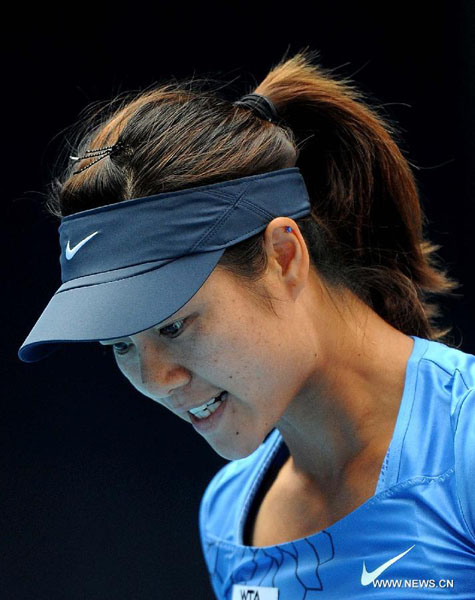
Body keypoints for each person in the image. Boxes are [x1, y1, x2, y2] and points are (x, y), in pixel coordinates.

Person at [18, 50, 475, 598]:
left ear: (284, 255)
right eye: (119, 345)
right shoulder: (227, 514)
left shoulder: (466, 443)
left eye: (173, 327)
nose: (156, 380)